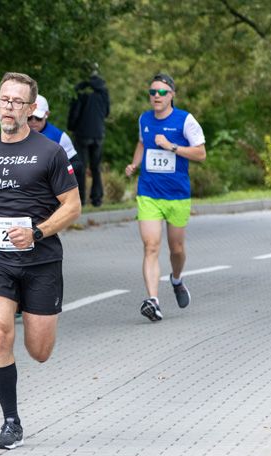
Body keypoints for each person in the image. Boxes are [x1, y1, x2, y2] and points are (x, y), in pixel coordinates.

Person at [0, 72, 81, 449]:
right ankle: (11, 422)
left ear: (30, 108)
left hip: (41, 259)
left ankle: (30, 309)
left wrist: (38, 232)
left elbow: (73, 206)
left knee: (39, 352)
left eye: (16, 101)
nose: (7, 107)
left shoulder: (51, 152)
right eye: (3, 100)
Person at [125, 73, 206, 322]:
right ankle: (153, 301)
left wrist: (172, 146)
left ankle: (177, 279)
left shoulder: (185, 120)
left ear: (172, 95)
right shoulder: (144, 119)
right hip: (148, 193)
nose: (156, 96)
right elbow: (142, 143)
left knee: (177, 249)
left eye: (161, 92)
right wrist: (135, 163)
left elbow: (201, 153)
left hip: (177, 195)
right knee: (151, 247)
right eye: (152, 92)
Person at [28, 94, 86, 205]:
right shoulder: (15, 136)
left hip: (49, 195)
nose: (33, 121)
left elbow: (77, 165)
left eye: (38, 117)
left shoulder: (59, 137)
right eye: (30, 117)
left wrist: (58, 174)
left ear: (47, 114)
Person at [68, 65, 109, 207]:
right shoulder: (103, 90)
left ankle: (81, 199)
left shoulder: (80, 89)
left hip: (82, 132)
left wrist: (71, 126)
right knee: (96, 167)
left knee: (81, 166)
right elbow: (107, 111)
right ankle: (97, 199)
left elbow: (75, 112)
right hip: (98, 132)